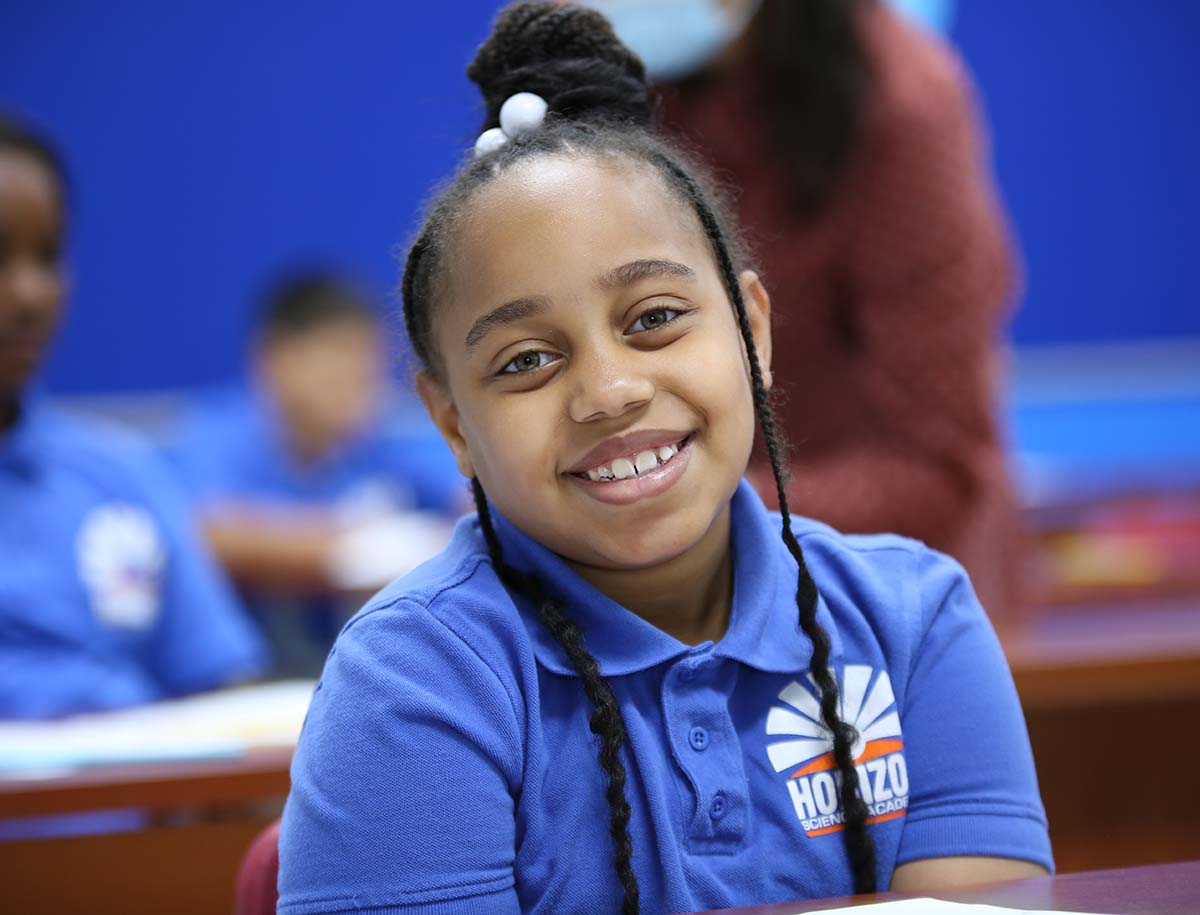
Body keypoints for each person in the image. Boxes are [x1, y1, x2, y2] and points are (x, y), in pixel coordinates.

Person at [277, 4, 1051, 913]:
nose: (609, 391)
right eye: (526, 360)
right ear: (452, 423)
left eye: (653, 319)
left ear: (754, 330)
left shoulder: (918, 628)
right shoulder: (413, 688)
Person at [589, 0, 1024, 616]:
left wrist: (660, 509)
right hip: (645, 567)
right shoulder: (586, 70)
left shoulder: (902, 104)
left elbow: (937, 468)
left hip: (873, 596)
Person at [0, 114, 266, 719]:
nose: (29, 294)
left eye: (47, 256)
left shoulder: (123, 477)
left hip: (138, 810)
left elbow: (225, 693)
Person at [169, 271, 465, 675]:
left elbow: (472, 497)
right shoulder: (218, 435)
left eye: (367, 371)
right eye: (337, 366)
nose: (358, 390)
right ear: (275, 357)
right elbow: (204, 533)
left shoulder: (379, 437)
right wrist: (352, 545)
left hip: (360, 669)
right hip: (247, 673)